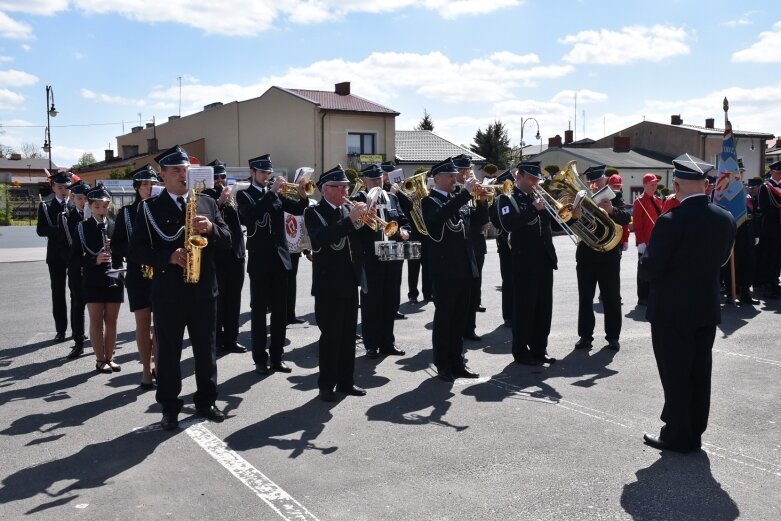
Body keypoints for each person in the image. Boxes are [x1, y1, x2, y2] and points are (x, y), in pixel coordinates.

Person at [129, 145, 231, 430]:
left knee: (206, 351)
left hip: (203, 290)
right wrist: (168, 257)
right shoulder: (149, 208)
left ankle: (206, 400)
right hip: (168, 292)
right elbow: (135, 250)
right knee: (169, 354)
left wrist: (210, 228)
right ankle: (169, 407)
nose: (182, 174)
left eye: (185, 169)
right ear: (163, 176)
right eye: (175, 169)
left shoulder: (207, 203)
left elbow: (228, 242)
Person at [640, 153, 735, 453]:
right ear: (706, 185)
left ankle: (678, 435)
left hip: (672, 312)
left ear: (677, 185)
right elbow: (722, 260)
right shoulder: (725, 218)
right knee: (699, 372)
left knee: (675, 374)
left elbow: (651, 268)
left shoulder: (670, 221)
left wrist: (645, 257)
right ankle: (694, 431)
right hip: (706, 307)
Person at [237, 154, 309, 375]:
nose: (267, 176)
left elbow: (296, 209)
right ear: (252, 173)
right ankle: (260, 358)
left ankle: (277, 357)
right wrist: (271, 193)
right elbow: (251, 218)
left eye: (268, 173)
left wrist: (303, 195)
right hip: (259, 261)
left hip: (280, 259)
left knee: (279, 312)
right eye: (262, 173)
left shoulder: (275, 195)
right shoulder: (244, 195)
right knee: (259, 313)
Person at [304, 164, 367, 401]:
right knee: (331, 337)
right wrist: (351, 220)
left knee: (349, 335)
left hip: (349, 281)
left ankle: (346, 382)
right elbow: (321, 239)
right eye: (339, 187)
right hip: (328, 284)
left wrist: (365, 219)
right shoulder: (315, 212)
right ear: (325, 189)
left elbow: (356, 243)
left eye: (346, 187)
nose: (344, 192)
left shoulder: (345, 210)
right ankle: (326, 386)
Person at [421, 158, 480, 381]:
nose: (455, 179)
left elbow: (472, 228)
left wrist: (480, 203)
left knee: (460, 318)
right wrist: (465, 194)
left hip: (464, 268)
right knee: (445, 319)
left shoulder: (458, 198)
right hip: (445, 270)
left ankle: (457, 361)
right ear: (437, 179)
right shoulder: (430, 201)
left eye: (455, 175)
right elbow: (438, 219)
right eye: (450, 176)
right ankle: (443, 363)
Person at [496, 161, 558, 366]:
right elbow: (508, 224)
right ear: (518, 176)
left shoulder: (539, 198)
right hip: (523, 260)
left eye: (537, 179)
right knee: (525, 308)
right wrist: (532, 209)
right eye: (531, 178)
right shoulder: (507, 198)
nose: (535, 182)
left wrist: (572, 213)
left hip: (544, 259)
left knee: (543, 308)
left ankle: (540, 349)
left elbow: (554, 223)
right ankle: (521, 351)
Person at [352, 163, 410, 359]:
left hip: (393, 254)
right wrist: (367, 212)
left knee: (390, 301)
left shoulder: (392, 198)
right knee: (371, 303)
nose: (377, 182)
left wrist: (405, 231)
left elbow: (403, 219)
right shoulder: (358, 200)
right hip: (370, 257)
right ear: (364, 181)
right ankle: (371, 344)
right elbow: (355, 230)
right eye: (373, 179)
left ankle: (387, 342)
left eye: (379, 179)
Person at [573, 165, 631, 351]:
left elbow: (626, 218)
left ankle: (613, 337)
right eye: (592, 182)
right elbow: (570, 222)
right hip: (586, 255)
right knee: (585, 298)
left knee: (612, 298)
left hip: (609, 256)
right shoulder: (581, 197)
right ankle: (585, 337)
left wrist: (612, 210)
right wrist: (576, 215)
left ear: (605, 180)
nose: (595, 185)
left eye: (598, 181)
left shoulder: (616, 196)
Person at [112, 165, 158, 388]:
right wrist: (138, 253)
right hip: (138, 274)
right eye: (145, 185)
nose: (149, 188)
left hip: (162, 273)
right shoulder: (127, 213)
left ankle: (159, 364)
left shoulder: (162, 209)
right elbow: (118, 244)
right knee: (142, 323)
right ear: (137, 188)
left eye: (152, 184)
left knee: (160, 324)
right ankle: (145, 369)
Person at [73, 186, 125, 373]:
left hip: (114, 277)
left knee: (112, 320)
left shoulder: (114, 225)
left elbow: (126, 251)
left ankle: (110, 358)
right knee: (96, 320)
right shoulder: (82, 228)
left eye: (104, 207)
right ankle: (100, 359)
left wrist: (116, 248)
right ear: (90, 206)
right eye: (97, 207)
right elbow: (74, 257)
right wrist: (94, 259)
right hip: (93, 278)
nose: (102, 211)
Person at [204, 159, 247, 355]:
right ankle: (217, 340)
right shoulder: (205, 197)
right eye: (216, 177)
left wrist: (232, 202)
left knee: (234, 300)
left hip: (236, 254)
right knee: (219, 302)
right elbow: (210, 224)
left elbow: (241, 223)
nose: (220, 180)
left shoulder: (232, 195)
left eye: (223, 177)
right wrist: (220, 201)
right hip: (218, 256)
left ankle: (232, 339)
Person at [453, 153, 489, 341]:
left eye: (467, 169)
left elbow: (482, 220)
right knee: (460, 290)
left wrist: (482, 202)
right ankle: (458, 328)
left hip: (476, 244)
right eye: (461, 169)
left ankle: (470, 328)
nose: (464, 173)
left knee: (474, 287)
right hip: (458, 248)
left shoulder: (475, 190)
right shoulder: (452, 191)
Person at [37, 171, 74, 343]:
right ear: (53, 188)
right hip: (55, 256)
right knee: (58, 293)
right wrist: (60, 229)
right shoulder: (47, 206)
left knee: (77, 292)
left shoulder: (75, 204)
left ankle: (77, 328)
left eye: (66, 187)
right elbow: (41, 230)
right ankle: (61, 330)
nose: (64, 191)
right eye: (60, 187)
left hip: (74, 255)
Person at [389, 161, 432, 304]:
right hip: (413, 234)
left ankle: (428, 293)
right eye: (419, 183)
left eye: (422, 182)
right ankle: (413, 294)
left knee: (427, 266)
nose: (420, 186)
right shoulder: (402, 194)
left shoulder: (426, 196)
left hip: (426, 234)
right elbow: (407, 208)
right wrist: (401, 194)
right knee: (413, 267)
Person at [61, 181, 90, 359]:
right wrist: (77, 262)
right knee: (78, 305)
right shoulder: (66, 218)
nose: (83, 202)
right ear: (73, 198)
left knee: (99, 307)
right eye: (79, 198)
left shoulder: (98, 216)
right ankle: (78, 342)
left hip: (95, 269)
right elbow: (64, 246)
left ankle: (101, 342)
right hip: (77, 268)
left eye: (86, 198)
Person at [488, 169, 514, 328]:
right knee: (508, 280)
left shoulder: (516, 198)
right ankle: (508, 315)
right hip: (505, 243)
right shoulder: (498, 200)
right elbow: (496, 222)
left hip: (519, 244)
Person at [632, 173, 662, 305]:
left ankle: (653, 294)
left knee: (655, 269)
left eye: (655, 184)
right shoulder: (639, 202)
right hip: (645, 242)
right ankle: (643, 297)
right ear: (644, 185)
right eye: (651, 184)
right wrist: (641, 241)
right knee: (643, 271)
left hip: (656, 241)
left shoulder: (657, 199)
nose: (654, 187)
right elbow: (637, 224)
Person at [756, 160, 781, 299]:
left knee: (778, 257)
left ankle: (775, 281)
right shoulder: (766, 188)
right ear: (772, 172)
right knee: (769, 256)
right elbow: (764, 208)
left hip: (779, 228)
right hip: (770, 228)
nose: (779, 175)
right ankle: (766, 284)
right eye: (777, 172)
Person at [608, 173, 630, 253]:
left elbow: (625, 224)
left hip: (619, 239)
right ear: (609, 186)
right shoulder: (604, 199)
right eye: (614, 186)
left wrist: (625, 240)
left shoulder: (621, 201)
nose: (616, 188)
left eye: (618, 186)